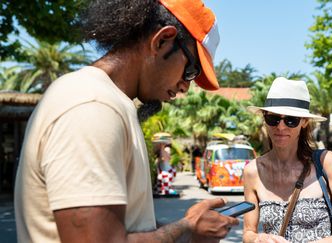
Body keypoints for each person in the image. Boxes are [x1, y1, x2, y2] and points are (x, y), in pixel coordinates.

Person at [13, 0, 238, 242]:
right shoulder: (93, 107)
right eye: (191, 71)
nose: (185, 86)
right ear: (162, 40)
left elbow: (129, 227)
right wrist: (185, 227)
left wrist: (190, 233)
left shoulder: (110, 103)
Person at [243, 77, 332, 243]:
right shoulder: (253, 171)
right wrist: (258, 239)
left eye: (291, 120)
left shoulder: (325, 162)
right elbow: (248, 233)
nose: (280, 127)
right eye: (273, 119)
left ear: (304, 122)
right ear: (264, 119)